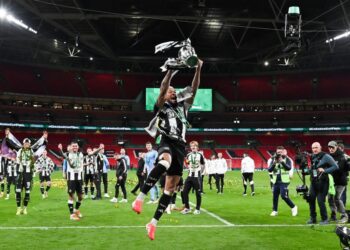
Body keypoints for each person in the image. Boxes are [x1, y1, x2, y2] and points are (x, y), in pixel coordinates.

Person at [132, 59, 203, 240]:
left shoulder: (184, 107)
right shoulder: (161, 106)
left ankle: (153, 223)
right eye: (170, 91)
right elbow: (163, 86)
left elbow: (194, 89)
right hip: (166, 140)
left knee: (169, 189)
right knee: (164, 161)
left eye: (175, 92)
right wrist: (170, 71)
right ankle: (139, 197)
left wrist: (198, 68)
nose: (173, 93)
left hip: (181, 145)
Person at [307, 142, 338, 225]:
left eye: (316, 147)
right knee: (311, 199)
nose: (314, 149)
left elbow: (335, 166)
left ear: (320, 147)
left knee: (320, 201)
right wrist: (308, 170)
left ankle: (325, 219)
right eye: (313, 148)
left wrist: (325, 170)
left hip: (323, 182)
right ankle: (313, 218)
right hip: (313, 181)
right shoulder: (313, 156)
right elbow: (313, 168)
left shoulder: (326, 156)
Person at [268, 146, 298, 217]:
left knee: (283, 196)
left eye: (280, 152)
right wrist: (274, 163)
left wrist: (282, 161)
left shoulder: (287, 159)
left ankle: (293, 207)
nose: (279, 154)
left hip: (284, 180)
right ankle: (275, 211)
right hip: (275, 181)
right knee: (275, 196)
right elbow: (269, 169)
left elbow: (288, 168)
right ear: (276, 152)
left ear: (283, 152)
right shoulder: (273, 159)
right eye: (278, 152)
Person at [59, 141, 84, 221]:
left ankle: (76, 210)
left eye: (76, 146)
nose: (74, 147)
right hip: (71, 178)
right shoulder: (67, 154)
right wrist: (60, 149)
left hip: (79, 178)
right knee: (71, 196)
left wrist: (99, 148)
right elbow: (63, 155)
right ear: (71, 147)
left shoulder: (81, 154)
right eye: (73, 146)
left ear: (78, 147)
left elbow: (90, 154)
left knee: (80, 197)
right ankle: (71, 215)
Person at [327, 141, 349, 223]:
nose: (331, 149)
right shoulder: (329, 156)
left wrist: (328, 170)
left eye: (332, 147)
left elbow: (339, 169)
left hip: (340, 181)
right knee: (329, 198)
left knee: (336, 198)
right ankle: (333, 214)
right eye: (329, 147)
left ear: (336, 147)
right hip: (332, 182)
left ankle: (344, 215)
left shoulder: (342, 156)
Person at [181, 141, 205, 215]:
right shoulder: (188, 155)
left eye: (194, 146)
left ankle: (197, 209)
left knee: (198, 193)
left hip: (197, 177)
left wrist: (200, 172)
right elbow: (187, 163)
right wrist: (188, 168)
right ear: (190, 147)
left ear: (197, 147)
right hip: (190, 176)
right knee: (184, 192)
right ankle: (187, 208)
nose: (193, 147)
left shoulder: (200, 155)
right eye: (191, 146)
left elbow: (203, 164)